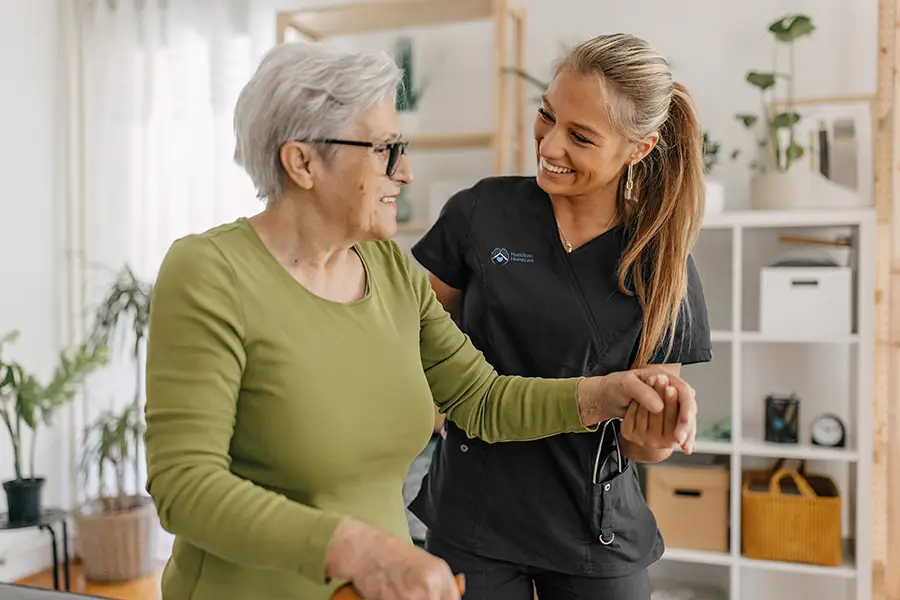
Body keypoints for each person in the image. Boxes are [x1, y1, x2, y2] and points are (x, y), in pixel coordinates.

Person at [142, 41, 698, 600]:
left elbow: (482, 399)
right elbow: (184, 486)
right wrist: (358, 550)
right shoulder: (209, 272)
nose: (404, 172)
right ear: (303, 161)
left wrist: (608, 396)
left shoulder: (387, 270)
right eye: (385, 149)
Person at [408, 33, 713, 600]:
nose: (549, 144)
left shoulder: (662, 261)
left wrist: (661, 429)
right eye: (547, 116)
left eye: (580, 136)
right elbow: (415, 343)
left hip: (592, 533)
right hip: (473, 516)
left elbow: (647, 447)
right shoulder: (480, 213)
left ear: (639, 149)